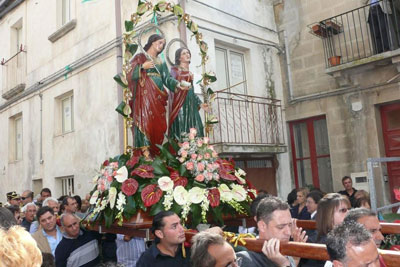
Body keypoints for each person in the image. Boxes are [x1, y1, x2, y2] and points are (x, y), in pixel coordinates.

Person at [127, 34, 186, 155]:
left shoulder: (160, 62)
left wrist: (178, 84)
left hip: (158, 97)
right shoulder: (140, 57)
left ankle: (155, 152)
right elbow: (128, 71)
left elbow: (167, 79)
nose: (161, 46)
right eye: (159, 42)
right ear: (152, 42)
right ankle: (145, 152)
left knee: (158, 126)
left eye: (163, 44)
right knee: (144, 122)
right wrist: (142, 66)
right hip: (144, 96)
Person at [237, 196, 307, 267]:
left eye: (289, 225)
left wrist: (295, 258)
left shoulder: (286, 252)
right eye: (280, 227)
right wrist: (283, 264)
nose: (288, 232)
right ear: (262, 226)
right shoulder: (246, 259)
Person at [302, 193, 350, 267]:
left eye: (348, 209)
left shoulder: (350, 235)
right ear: (328, 215)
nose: (348, 213)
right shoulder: (316, 243)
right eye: (343, 210)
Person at [169, 47, 206, 138]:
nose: (187, 54)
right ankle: (183, 150)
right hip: (181, 106)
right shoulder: (174, 70)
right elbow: (174, 82)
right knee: (182, 130)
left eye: (188, 53)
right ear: (179, 58)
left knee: (198, 128)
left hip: (191, 106)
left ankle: (198, 150)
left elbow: (191, 91)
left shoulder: (190, 73)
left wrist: (200, 104)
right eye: (184, 53)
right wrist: (187, 76)